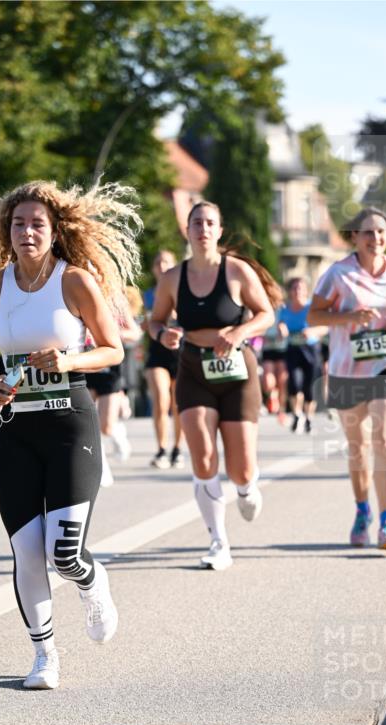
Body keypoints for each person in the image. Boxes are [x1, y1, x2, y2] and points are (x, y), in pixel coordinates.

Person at [0, 179, 139, 690]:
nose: (27, 232)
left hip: (69, 426)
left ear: (55, 230)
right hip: (14, 432)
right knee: (27, 551)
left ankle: (91, 580)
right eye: (18, 224)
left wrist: (68, 359)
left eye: (37, 223)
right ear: (6, 231)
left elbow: (113, 350)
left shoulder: (74, 280)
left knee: (65, 554)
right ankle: (44, 655)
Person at [149, 201, 278, 570]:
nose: (203, 229)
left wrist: (239, 332)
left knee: (239, 467)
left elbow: (266, 314)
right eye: (196, 223)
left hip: (237, 372)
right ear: (186, 231)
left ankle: (246, 486)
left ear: (219, 231)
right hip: (193, 369)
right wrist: (164, 334)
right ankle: (218, 542)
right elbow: (154, 321)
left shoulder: (236, 271)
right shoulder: (173, 277)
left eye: (209, 223)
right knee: (202, 455)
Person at [308, 207, 386, 552]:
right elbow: (313, 315)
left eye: (381, 232)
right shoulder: (338, 274)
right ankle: (362, 510)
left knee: (384, 439)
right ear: (354, 236)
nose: (376, 239)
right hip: (346, 367)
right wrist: (350, 316)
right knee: (358, 448)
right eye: (368, 233)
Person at [86, 284, 141, 487]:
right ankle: (101, 468)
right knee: (88, 421)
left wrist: (109, 333)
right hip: (85, 363)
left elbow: (134, 333)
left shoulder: (115, 300)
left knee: (106, 426)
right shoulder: (78, 294)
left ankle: (117, 432)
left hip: (109, 369)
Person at [143, 250, 185, 469]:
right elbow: (139, 322)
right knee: (161, 399)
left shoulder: (183, 292)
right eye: (158, 262)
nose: (162, 266)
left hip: (180, 351)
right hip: (156, 351)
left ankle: (177, 449)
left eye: (166, 262)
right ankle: (161, 449)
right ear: (153, 269)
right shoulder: (147, 296)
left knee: (178, 403)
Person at [282, 276, 323, 433]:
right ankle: (297, 414)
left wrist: (312, 331)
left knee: (309, 387)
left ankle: (309, 418)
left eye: (301, 288)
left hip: (311, 350)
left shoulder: (312, 307)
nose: (298, 291)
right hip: (293, 350)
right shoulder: (285, 309)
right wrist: (282, 329)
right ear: (290, 291)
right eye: (295, 288)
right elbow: (281, 323)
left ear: (306, 291)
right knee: (294, 382)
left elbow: (325, 327)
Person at [259, 290, 288, 419]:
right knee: (267, 378)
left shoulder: (284, 309)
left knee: (282, 379)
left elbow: (290, 325)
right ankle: (272, 396)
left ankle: (281, 409)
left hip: (282, 348)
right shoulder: (262, 307)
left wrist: (283, 329)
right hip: (268, 348)